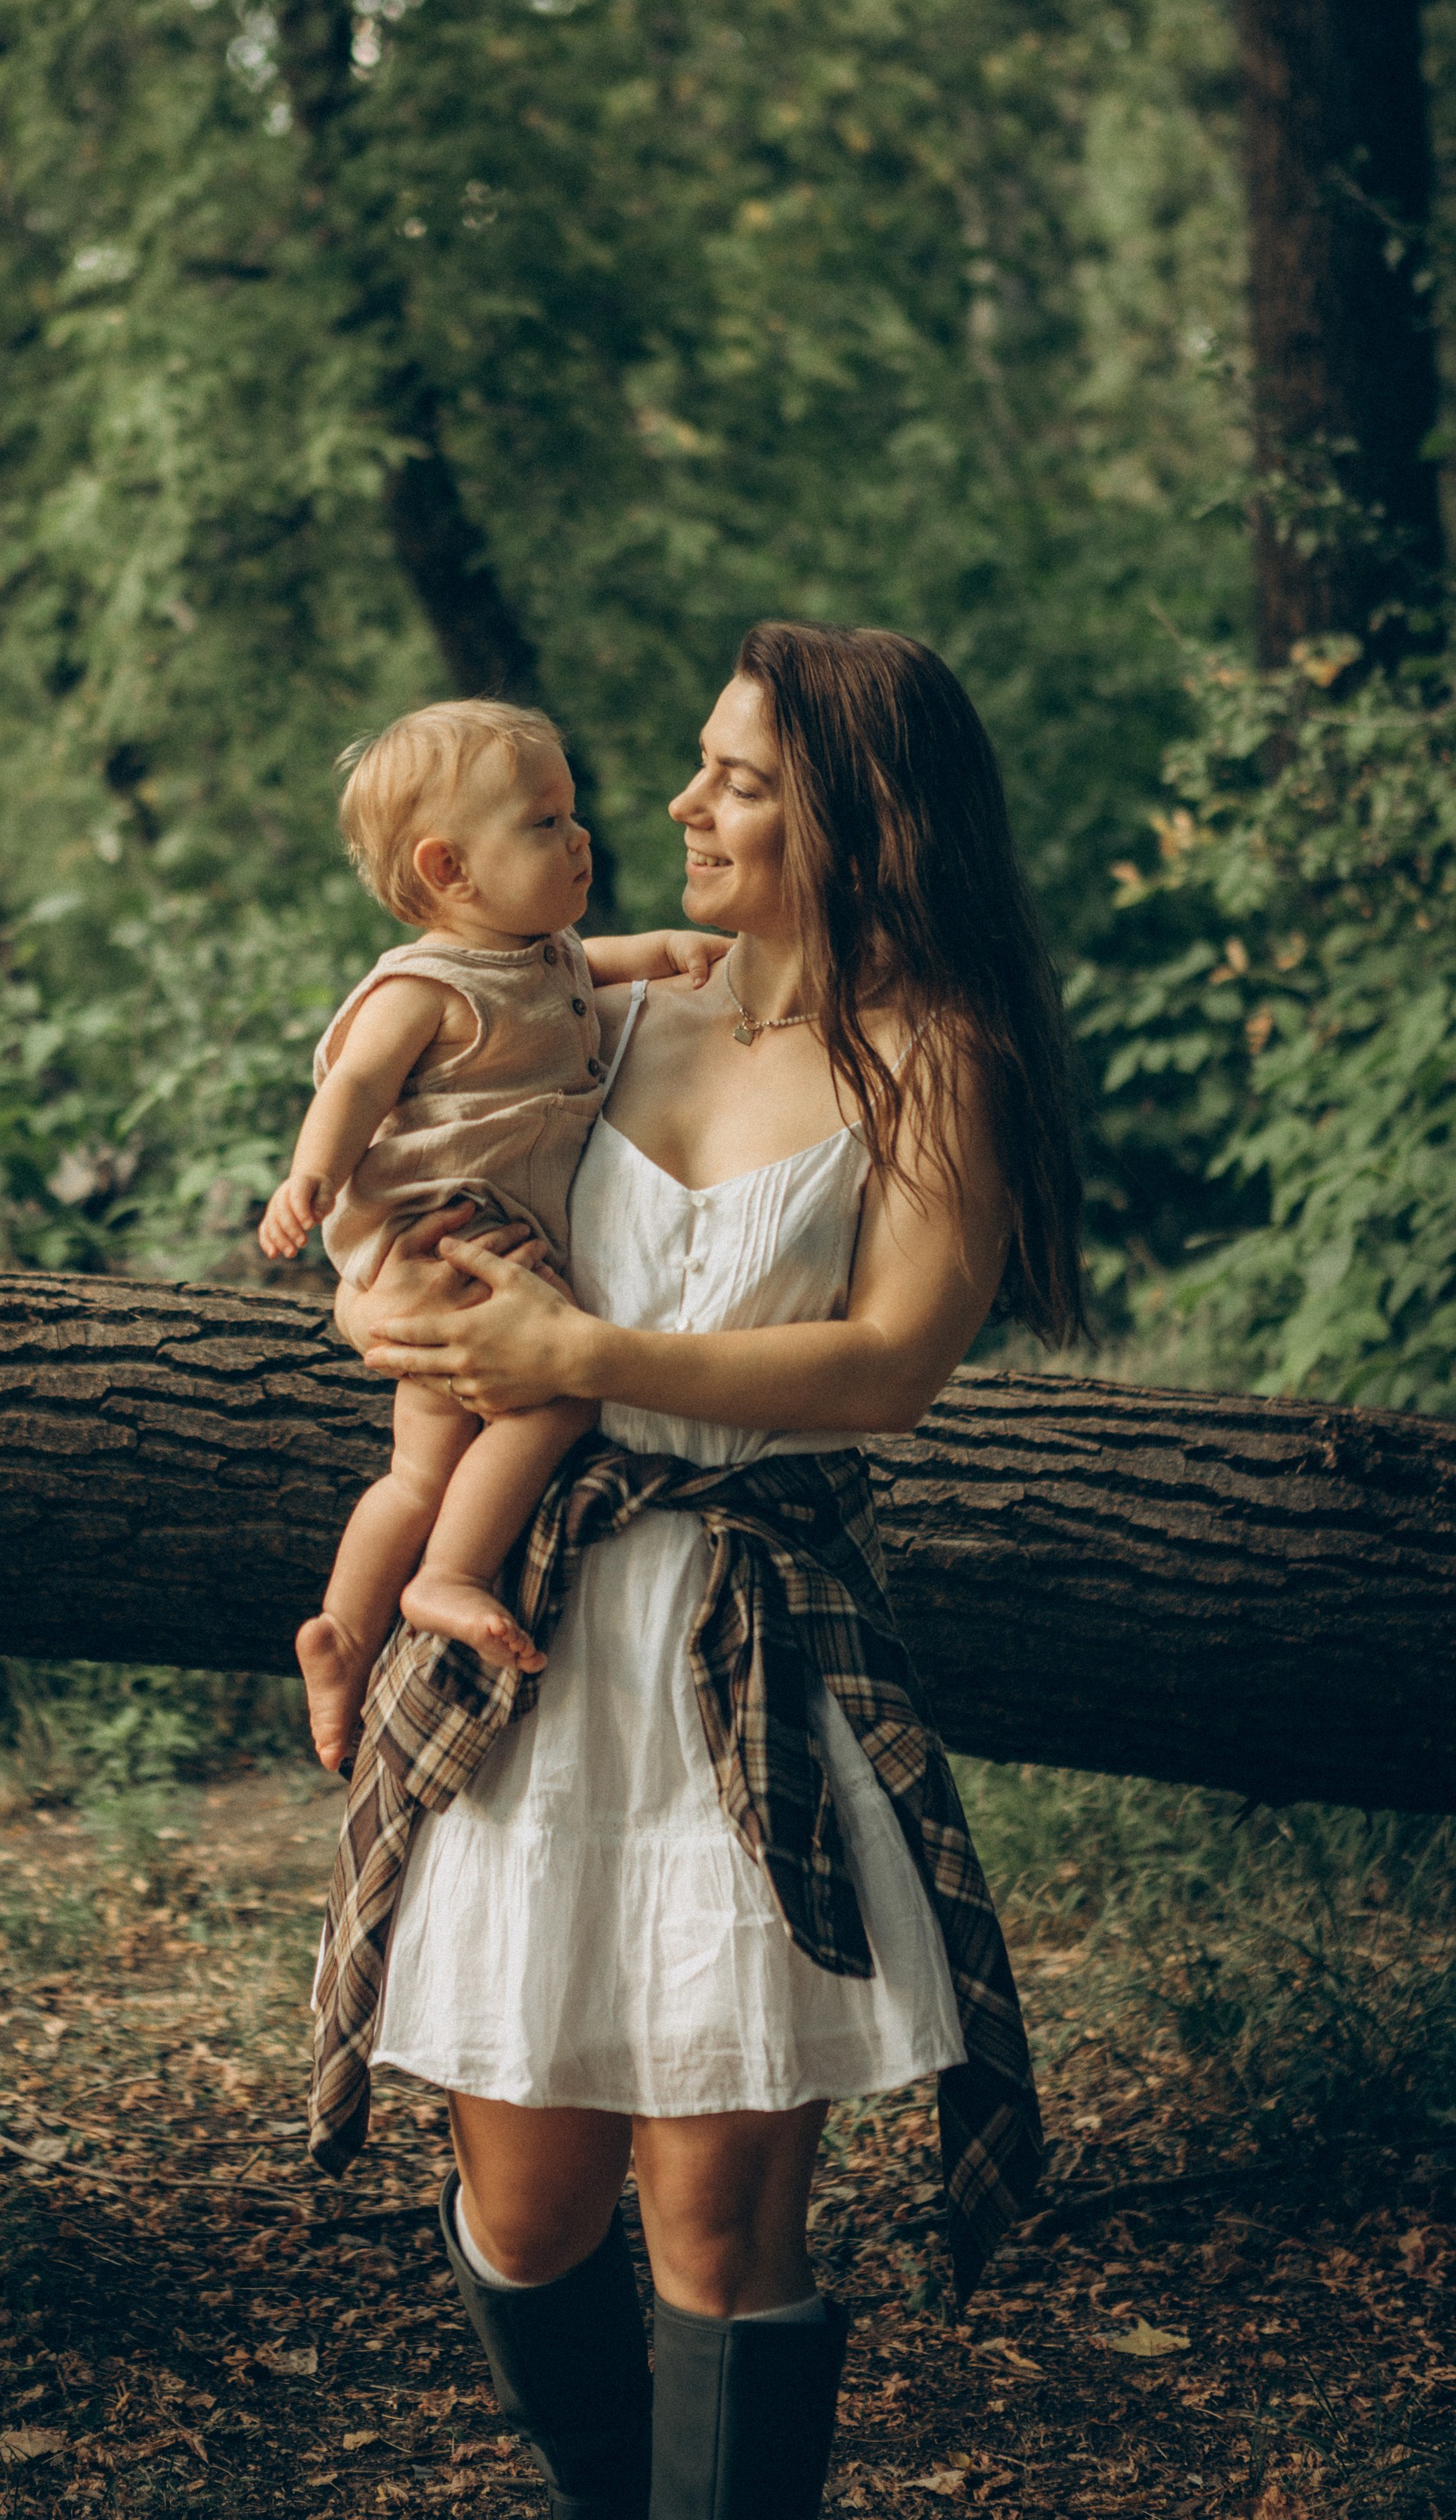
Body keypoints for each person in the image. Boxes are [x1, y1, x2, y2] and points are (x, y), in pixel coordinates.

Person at [306, 624, 1083, 2520]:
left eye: (735, 779)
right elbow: (423, 1186)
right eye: (699, 766)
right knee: (524, 2215)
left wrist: (588, 1355)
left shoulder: (931, 1059)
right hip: (532, 1644)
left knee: (716, 2239)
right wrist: (380, 1299)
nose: (681, 805)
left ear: (860, 819)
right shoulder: (607, 1012)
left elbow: (887, 1365)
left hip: (746, 1657)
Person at [258, 696, 728, 1771]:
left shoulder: (543, 954)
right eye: (546, 823)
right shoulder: (424, 986)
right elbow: (357, 1085)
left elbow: (594, 966)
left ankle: (342, 1632)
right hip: (446, 1248)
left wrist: (665, 950)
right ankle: (448, 1576)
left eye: (571, 813)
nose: (581, 838)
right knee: (558, 1397)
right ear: (451, 871)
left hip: (475, 1256)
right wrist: (311, 1175)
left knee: (416, 1473)